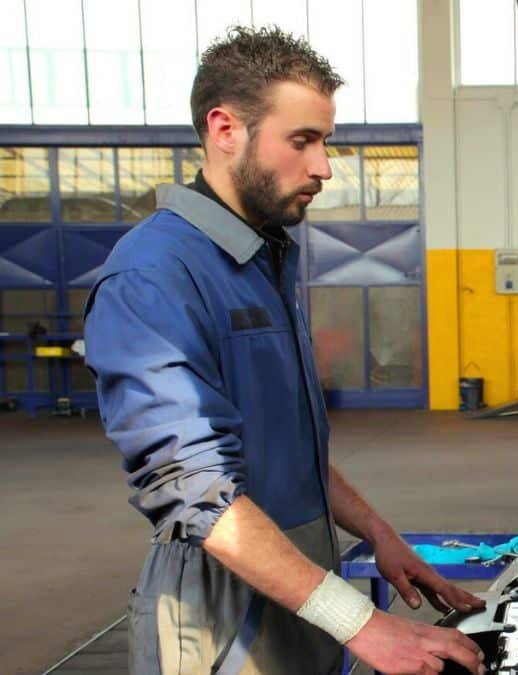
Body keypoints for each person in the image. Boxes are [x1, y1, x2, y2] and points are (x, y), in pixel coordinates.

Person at [84, 26, 485, 675]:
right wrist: (362, 621)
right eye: (303, 141)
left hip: (305, 601)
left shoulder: (259, 261)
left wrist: (377, 533)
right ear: (225, 130)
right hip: (220, 628)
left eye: (324, 141)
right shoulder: (153, 278)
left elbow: (288, 445)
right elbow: (199, 497)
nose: (325, 166)